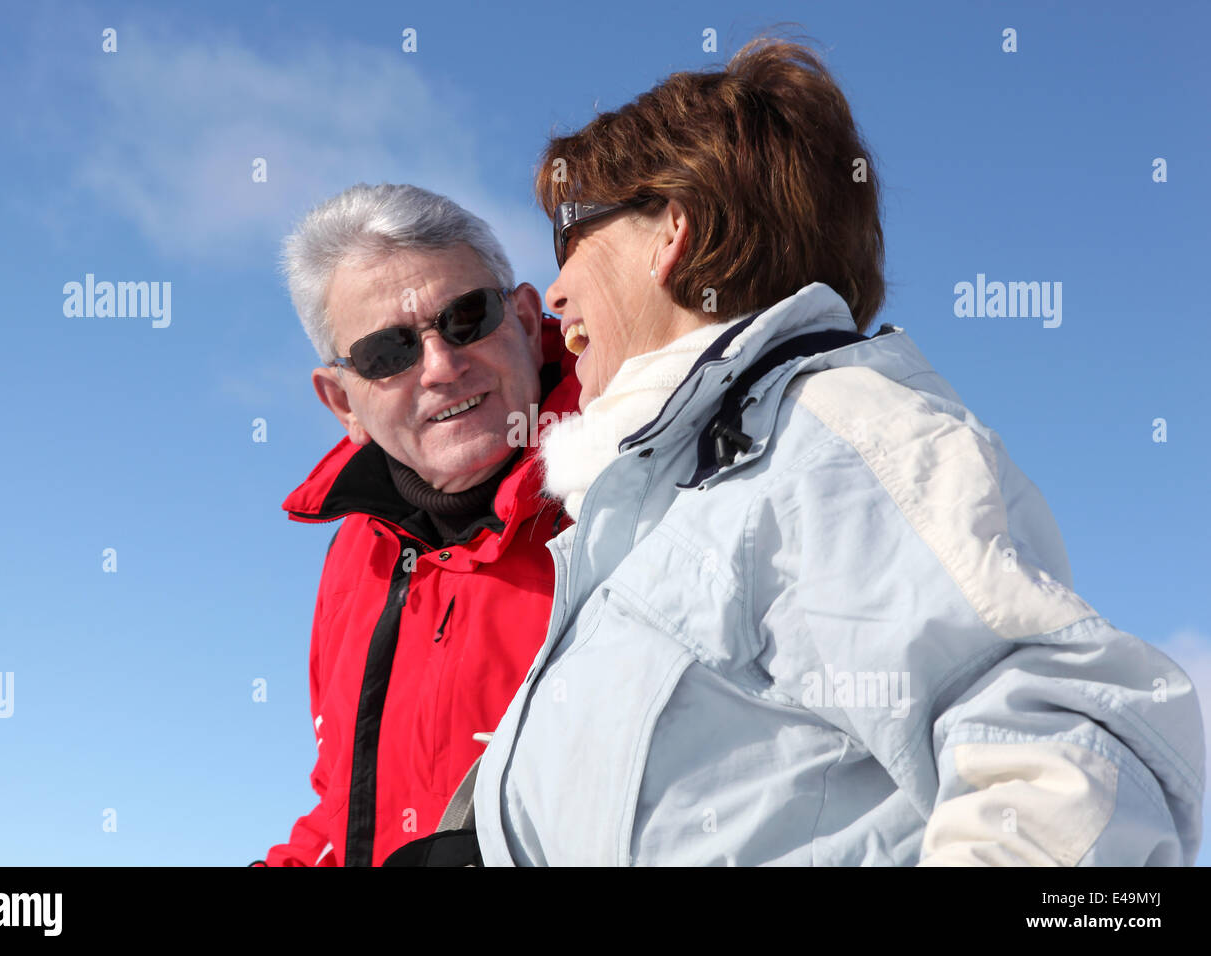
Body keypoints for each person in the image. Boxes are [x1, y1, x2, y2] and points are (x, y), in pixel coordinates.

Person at [472, 35, 1205, 865]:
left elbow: (1072, 768)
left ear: (668, 229)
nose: (557, 288)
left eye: (571, 240)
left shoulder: (818, 436)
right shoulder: (660, 508)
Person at [251, 183, 578, 866]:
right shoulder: (358, 554)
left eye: (467, 317)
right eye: (388, 353)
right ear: (342, 400)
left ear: (522, 319)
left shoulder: (633, 480)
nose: (441, 366)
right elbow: (342, 814)